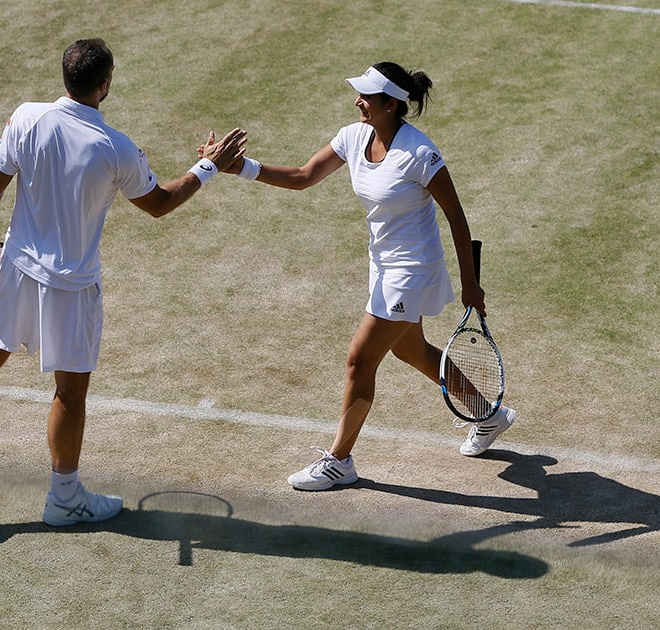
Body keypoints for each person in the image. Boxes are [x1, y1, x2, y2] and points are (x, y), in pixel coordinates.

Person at [0, 39, 247, 524]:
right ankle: (63, 497)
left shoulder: (26, 117)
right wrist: (208, 166)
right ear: (104, 84)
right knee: (69, 393)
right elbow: (160, 203)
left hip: (17, 269)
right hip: (72, 287)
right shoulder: (116, 148)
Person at [211, 62, 517, 490]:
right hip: (383, 265)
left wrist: (471, 283)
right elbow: (303, 177)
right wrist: (239, 168)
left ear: (391, 104)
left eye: (366, 97)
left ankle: (339, 460)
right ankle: (488, 416)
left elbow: (456, 216)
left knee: (359, 360)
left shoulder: (419, 153)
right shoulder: (353, 136)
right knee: (411, 350)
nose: (358, 101)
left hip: (412, 270)